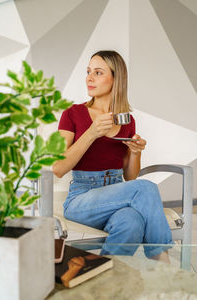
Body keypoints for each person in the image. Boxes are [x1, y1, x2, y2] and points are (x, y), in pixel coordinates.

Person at [53, 50, 173, 263]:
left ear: (116, 78)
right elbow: (58, 167)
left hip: (116, 192)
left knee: (132, 222)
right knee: (147, 187)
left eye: (98, 72)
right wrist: (92, 132)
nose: (89, 78)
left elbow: (130, 177)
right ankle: (160, 257)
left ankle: (106, 284)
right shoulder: (72, 114)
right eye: (88, 71)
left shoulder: (127, 120)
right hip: (81, 198)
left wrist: (135, 153)